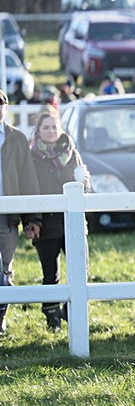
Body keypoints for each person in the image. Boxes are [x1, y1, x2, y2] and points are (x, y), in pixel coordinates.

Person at [29, 108, 91, 331]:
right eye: (46, 127)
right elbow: (29, 189)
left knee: (80, 271)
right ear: (38, 131)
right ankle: (52, 319)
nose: (50, 131)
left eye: (54, 126)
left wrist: (84, 182)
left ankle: (72, 313)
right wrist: (31, 220)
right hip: (46, 224)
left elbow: (85, 182)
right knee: (50, 274)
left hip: (73, 221)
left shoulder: (71, 151)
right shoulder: (32, 156)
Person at [0, 89, 42, 334]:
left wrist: (32, 218)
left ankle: (1, 317)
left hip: (8, 217)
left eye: (1, 103)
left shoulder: (16, 138)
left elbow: (27, 178)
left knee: (5, 268)